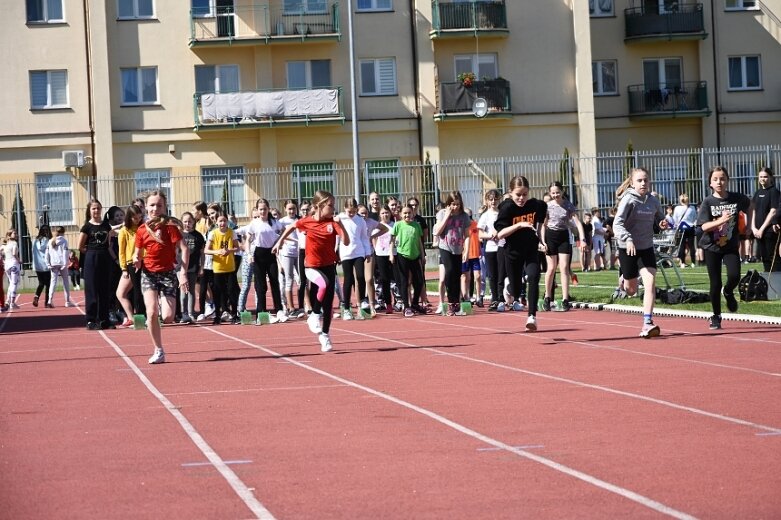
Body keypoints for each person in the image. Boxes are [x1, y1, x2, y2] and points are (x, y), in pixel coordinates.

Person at [273, 190, 348, 352]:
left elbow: (346, 242)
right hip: (310, 267)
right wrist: (279, 242)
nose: (333, 208)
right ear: (320, 206)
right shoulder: (307, 221)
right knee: (324, 285)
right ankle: (314, 314)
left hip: (329, 266)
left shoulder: (332, 223)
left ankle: (325, 335)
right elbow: (292, 226)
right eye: (330, 205)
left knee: (328, 306)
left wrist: (340, 225)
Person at [133, 191, 190, 364]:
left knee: (168, 317)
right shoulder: (142, 229)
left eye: (159, 205)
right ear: (146, 208)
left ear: (165, 207)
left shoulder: (170, 227)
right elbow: (137, 252)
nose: (155, 209)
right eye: (151, 205)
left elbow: (184, 249)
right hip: (149, 274)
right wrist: (136, 259)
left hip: (167, 274)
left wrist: (183, 273)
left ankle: (159, 304)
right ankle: (158, 350)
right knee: (151, 313)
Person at [611, 167, 668, 338]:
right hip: (627, 247)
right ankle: (624, 280)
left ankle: (647, 322)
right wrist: (628, 239)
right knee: (631, 290)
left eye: (646, 180)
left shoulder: (653, 201)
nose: (643, 183)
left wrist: (662, 223)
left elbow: (660, 218)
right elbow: (617, 224)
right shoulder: (628, 200)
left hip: (646, 247)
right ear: (632, 183)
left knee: (650, 282)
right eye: (639, 181)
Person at [697, 166, 753, 330]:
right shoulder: (708, 202)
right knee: (715, 283)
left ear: (727, 180)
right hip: (711, 247)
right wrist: (720, 221)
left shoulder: (736, 198)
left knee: (735, 276)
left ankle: (728, 292)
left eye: (722, 178)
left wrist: (750, 224)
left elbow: (751, 206)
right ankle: (716, 316)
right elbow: (703, 227)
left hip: (730, 246)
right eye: (715, 179)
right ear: (710, 183)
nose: (719, 182)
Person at [494, 176, 547, 332]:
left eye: (525, 194)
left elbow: (541, 223)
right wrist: (519, 225)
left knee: (534, 277)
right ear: (511, 193)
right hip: (512, 252)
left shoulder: (536, 205)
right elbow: (501, 234)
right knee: (516, 291)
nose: (522, 198)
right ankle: (510, 286)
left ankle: (532, 317)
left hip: (531, 249)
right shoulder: (507, 208)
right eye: (518, 194)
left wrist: (541, 240)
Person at [541, 181, 586, 311]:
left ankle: (566, 298)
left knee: (565, 267)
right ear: (550, 193)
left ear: (562, 191)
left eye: (558, 192)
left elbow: (577, 223)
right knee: (551, 268)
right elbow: (543, 225)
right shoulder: (547, 206)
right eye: (553, 193)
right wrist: (543, 242)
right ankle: (547, 297)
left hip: (563, 236)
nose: (556, 195)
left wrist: (582, 239)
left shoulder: (568, 205)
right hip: (550, 236)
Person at [245, 198, 286, 323]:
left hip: (271, 254)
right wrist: (248, 254)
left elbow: (284, 232)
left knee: (275, 282)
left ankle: (279, 310)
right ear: (257, 210)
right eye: (260, 209)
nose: (263, 211)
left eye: (265, 209)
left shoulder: (274, 222)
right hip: (258, 255)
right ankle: (261, 314)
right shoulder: (254, 223)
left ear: (268, 209)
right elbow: (248, 240)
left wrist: (278, 243)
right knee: (261, 286)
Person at [433, 191, 471, 316]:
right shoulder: (442, 213)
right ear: (448, 204)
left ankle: (456, 303)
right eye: (453, 204)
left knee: (456, 275)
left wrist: (466, 250)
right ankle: (450, 303)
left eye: (458, 204)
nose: (455, 207)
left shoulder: (464, 216)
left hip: (458, 248)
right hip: (445, 247)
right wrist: (447, 216)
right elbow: (438, 231)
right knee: (449, 272)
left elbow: (467, 235)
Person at [78, 200, 114, 330]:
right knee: (92, 290)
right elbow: (80, 246)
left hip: (105, 257)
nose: (96, 211)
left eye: (98, 208)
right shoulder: (86, 227)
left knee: (104, 290)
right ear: (90, 211)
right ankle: (91, 320)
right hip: (91, 258)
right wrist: (91, 253)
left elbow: (109, 243)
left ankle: (105, 320)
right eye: (94, 208)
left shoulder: (106, 225)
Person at [338, 198, 372, 320]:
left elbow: (364, 237)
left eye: (354, 211)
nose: (351, 214)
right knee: (348, 279)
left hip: (359, 252)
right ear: (345, 209)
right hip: (346, 253)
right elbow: (337, 237)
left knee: (360, 276)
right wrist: (335, 252)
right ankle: (346, 307)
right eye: (349, 211)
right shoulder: (340, 219)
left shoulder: (360, 221)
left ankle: (362, 301)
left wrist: (367, 252)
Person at [204, 212, 240, 325]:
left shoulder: (231, 232)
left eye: (224, 220)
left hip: (230, 267)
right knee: (218, 292)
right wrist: (217, 251)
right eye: (220, 221)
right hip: (218, 267)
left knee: (231, 291)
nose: (222, 223)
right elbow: (206, 250)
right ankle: (218, 316)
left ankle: (234, 314)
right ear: (216, 222)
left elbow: (237, 248)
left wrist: (229, 250)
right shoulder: (213, 234)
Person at [392, 204, 427, 316]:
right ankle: (406, 306)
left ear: (412, 213)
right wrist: (391, 254)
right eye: (405, 213)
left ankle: (415, 303)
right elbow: (392, 240)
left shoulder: (416, 226)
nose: (407, 215)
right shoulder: (398, 225)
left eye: (409, 212)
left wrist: (422, 255)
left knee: (419, 281)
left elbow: (419, 242)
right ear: (401, 214)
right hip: (402, 255)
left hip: (415, 255)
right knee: (404, 281)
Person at [116, 205, 144, 327]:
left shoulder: (143, 228)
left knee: (139, 292)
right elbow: (121, 251)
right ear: (129, 217)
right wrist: (123, 269)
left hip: (142, 263)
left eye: (139, 217)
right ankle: (132, 318)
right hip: (129, 264)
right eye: (134, 218)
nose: (137, 220)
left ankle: (140, 321)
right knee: (120, 293)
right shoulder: (124, 231)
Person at [751, 167, 780, 272]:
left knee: (772, 257)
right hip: (758, 231)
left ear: (771, 178)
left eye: (765, 177)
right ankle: (768, 282)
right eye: (761, 177)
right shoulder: (757, 193)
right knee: (764, 257)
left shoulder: (774, 192)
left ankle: (776, 282)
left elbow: (773, 211)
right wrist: (753, 228)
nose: (763, 179)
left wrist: (762, 229)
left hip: (768, 231)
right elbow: (753, 210)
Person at [179, 211, 205, 323]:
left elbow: (202, 253)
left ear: (193, 222)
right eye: (185, 221)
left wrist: (202, 266)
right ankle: (183, 313)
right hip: (181, 267)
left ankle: (190, 312)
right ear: (181, 222)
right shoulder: (179, 235)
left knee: (191, 291)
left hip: (193, 266)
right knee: (183, 290)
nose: (187, 223)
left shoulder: (198, 236)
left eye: (189, 221)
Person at [477, 190, 501, 309]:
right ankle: (495, 298)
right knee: (492, 275)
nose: (493, 202)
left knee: (502, 274)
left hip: (502, 247)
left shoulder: (502, 213)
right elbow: (480, 234)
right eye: (491, 199)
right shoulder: (485, 215)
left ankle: (503, 298)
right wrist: (490, 235)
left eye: (495, 199)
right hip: (491, 248)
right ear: (487, 201)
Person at [45, 226, 76, 308]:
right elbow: (65, 253)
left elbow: (46, 254)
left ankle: (49, 301)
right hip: (62, 264)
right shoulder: (64, 241)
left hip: (53, 264)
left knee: (53, 283)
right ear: (63, 232)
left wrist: (48, 264)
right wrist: (65, 264)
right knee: (65, 283)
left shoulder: (50, 241)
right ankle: (67, 302)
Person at [373, 206, 395, 313]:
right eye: (382, 213)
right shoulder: (377, 226)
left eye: (387, 212)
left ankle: (400, 301)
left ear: (390, 214)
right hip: (380, 255)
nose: (385, 215)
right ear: (379, 215)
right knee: (385, 280)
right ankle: (388, 304)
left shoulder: (394, 225)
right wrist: (376, 251)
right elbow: (374, 239)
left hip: (393, 254)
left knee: (396, 279)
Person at [672, 193, 698, 268]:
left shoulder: (677, 208)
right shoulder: (692, 208)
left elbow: (675, 219)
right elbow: (694, 218)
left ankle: (682, 262)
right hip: (690, 227)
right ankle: (693, 262)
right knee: (691, 246)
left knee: (682, 246)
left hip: (681, 228)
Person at [32, 225, 52, 308]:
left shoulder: (35, 240)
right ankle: (47, 302)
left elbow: (33, 252)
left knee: (41, 283)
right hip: (45, 265)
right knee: (48, 284)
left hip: (37, 265)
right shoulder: (47, 240)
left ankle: (36, 296)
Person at [2, 229, 21, 310]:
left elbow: (2, 254)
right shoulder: (14, 243)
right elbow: (14, 253)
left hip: (7, 266)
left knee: (11, 283)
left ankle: (7, 301)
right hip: (13, 265)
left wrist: (3, 261)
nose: (16, 234)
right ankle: (12, 303)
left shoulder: (5, 245)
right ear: (9, 235)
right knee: (14, 283)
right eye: (14, 233)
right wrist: (19, 260)